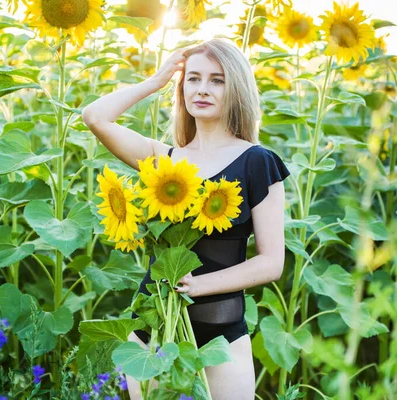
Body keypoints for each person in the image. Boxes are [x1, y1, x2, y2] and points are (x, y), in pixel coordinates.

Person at [82, 38, 291, 400]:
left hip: (220, 333)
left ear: (236, 88)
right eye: (192, 79)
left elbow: (271, 263)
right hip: (155, 328)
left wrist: (198, 287)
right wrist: (155, 81)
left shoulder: (257, 161)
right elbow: (95, 117)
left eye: (217, 80)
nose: (202, 89)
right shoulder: (163, 160)